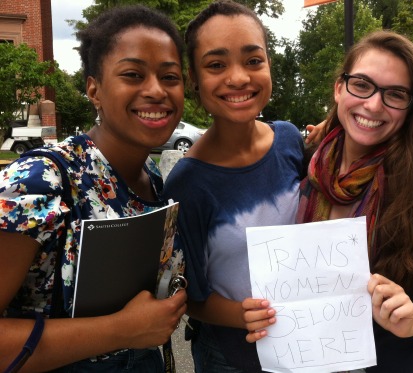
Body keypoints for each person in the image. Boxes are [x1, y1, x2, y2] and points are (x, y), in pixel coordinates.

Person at [243, 30, 413, 372]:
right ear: (340, 88)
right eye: (362, 84)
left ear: (412, 106)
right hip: (328, 359)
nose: (373, 104)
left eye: (395, 94)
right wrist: (265, 313)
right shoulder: (307, 162)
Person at [0, 5, 187, 372]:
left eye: (170, 76)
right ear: (94, 89)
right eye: (132, 74)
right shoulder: (40, 180)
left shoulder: (152, 177)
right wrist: (121, 331)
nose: (155, 90)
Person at [162, 1, 304, 372]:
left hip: (309, 343)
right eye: (216, 65)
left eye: (253, 60)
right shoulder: (187, 184)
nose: (239, 77)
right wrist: (242, 314)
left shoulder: (289, 141)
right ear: (193, 77)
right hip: (231, 357)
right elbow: (188, 296)